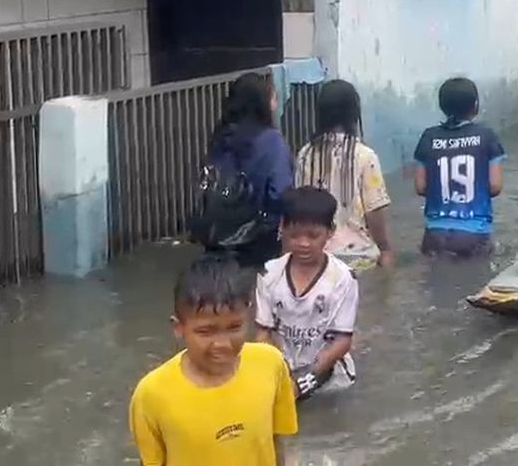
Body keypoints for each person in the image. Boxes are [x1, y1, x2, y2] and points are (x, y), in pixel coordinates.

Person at [129, 255, 298, 465]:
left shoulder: (271, 364)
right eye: (206, 331)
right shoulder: (151, 395)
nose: (222, 344)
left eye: (235, 327)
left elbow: (279, 443)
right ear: (178, 328)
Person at [256, 187, 359, 401]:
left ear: (330, 231)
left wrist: (303, 381)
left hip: (331, 379)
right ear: (282, 228)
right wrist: (281, 375)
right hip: (283, 371)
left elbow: (342, 341)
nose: (303, 243)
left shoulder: (343, 279)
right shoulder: (269, 274)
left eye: (313, 235)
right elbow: (262, 334)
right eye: (294, 235)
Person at [296, 80, 394, 269]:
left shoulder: (306, 154)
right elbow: (374, 211)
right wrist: (385, 248)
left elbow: (300, 207)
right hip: (359, 256)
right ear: (353, 113)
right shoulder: (365, 156)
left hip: (317, 254)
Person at [206, 72, 294, 267]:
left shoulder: (220, 137)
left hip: (218, 235)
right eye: (273, 97)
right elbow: (280, 193)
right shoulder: (272, 142)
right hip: (259, 239)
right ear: (264, 103)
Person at [413, 77, 504, 257]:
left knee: (435, 280)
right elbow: (495, 187)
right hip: (475, 234)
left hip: (434, 234)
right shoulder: (486, 135)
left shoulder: (429, 137)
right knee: (478, 280)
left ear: (442, 106)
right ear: (475, 105)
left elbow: (420, 187)